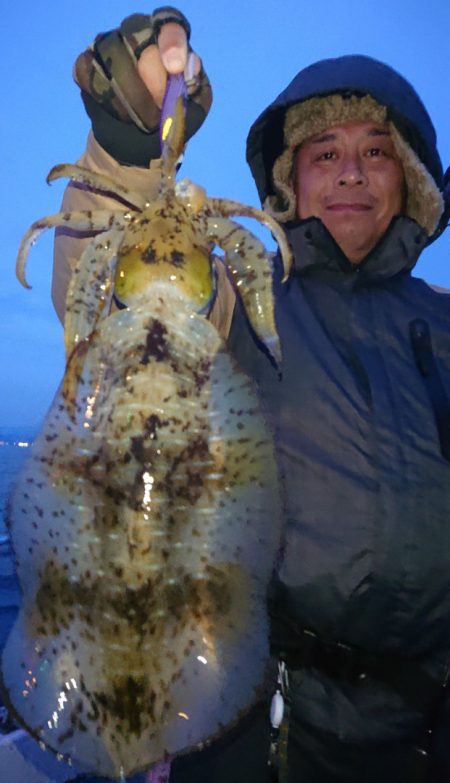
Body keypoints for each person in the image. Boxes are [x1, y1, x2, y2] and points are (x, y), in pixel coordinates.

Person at [2, 7, 450, 783]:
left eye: (376, 152)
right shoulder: (240, 300)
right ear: (288, 179)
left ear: (408, 179)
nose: (350, 172)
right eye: (324, 153)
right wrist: (130, 140)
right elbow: (117, 277)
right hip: (259, 712)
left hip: (427, 724)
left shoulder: (440, 325)